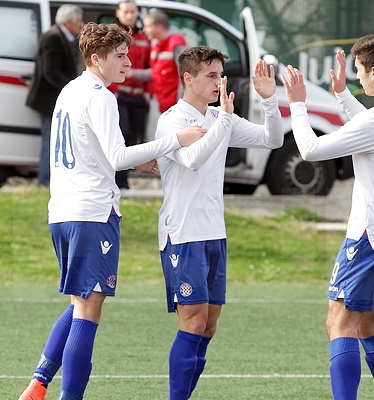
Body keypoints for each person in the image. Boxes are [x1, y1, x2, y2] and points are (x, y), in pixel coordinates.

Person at [17, 23, 205, 400]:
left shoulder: (69, 91)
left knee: (80, 302)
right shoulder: (101, 96)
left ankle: (38, 384)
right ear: (96, 58)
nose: (128, 61)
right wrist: (173, 141)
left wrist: (141, 162)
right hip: (92, 213)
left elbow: (97, 152)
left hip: (63, 212)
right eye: (120, 55)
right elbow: (117, 155)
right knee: (88, 311)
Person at [280, 33, 374, 400]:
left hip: (369, 237)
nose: (359, 77)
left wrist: (297, 105)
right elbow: (373, 126)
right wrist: (344, 94)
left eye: (360, 71)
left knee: (340, 323)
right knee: (369, 322)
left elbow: (311, 149)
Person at [155, 47, 282, 400]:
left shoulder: (220, 116)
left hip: (214, 233)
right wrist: (224, 119)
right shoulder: (172, 120)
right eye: (211, 75)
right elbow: (192, 160)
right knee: (192, 322)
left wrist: (269, 101)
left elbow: (272, 139)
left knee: (208, 327)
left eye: (220, 75)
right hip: (183, 233)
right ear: (188, 78)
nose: (219, 82)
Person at [26, 5, 83, 186]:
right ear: (69, 21)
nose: (82, 25)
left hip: (54, 100)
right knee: (51, 141)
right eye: (79, 21)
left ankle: (48, 179)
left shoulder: (61, 37)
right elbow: (50, 71)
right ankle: (45, 180)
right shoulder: (53, 38)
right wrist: (72, 88)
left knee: (55, 139)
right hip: (48, 100)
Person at [111, 0, 152, 190]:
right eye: (126, 12)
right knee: (121, 135)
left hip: (138, 97)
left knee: (132, 140)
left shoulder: (144, 38)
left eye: (133, 12)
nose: (129, 15)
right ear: (118, 13)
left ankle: (123, 182)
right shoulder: (112, 35)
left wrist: (148, 94)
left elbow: (151, 67)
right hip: (119, 96)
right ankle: (115, 180)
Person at [135, 9, 187, 113]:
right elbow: (156, 72)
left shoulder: (176, 44)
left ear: (159, 27)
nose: (144, 30)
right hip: (163, 101)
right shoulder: (157, 44)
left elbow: (185, 76)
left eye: (148, 26)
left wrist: (181, 103)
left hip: (174, 104)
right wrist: (133, 73)